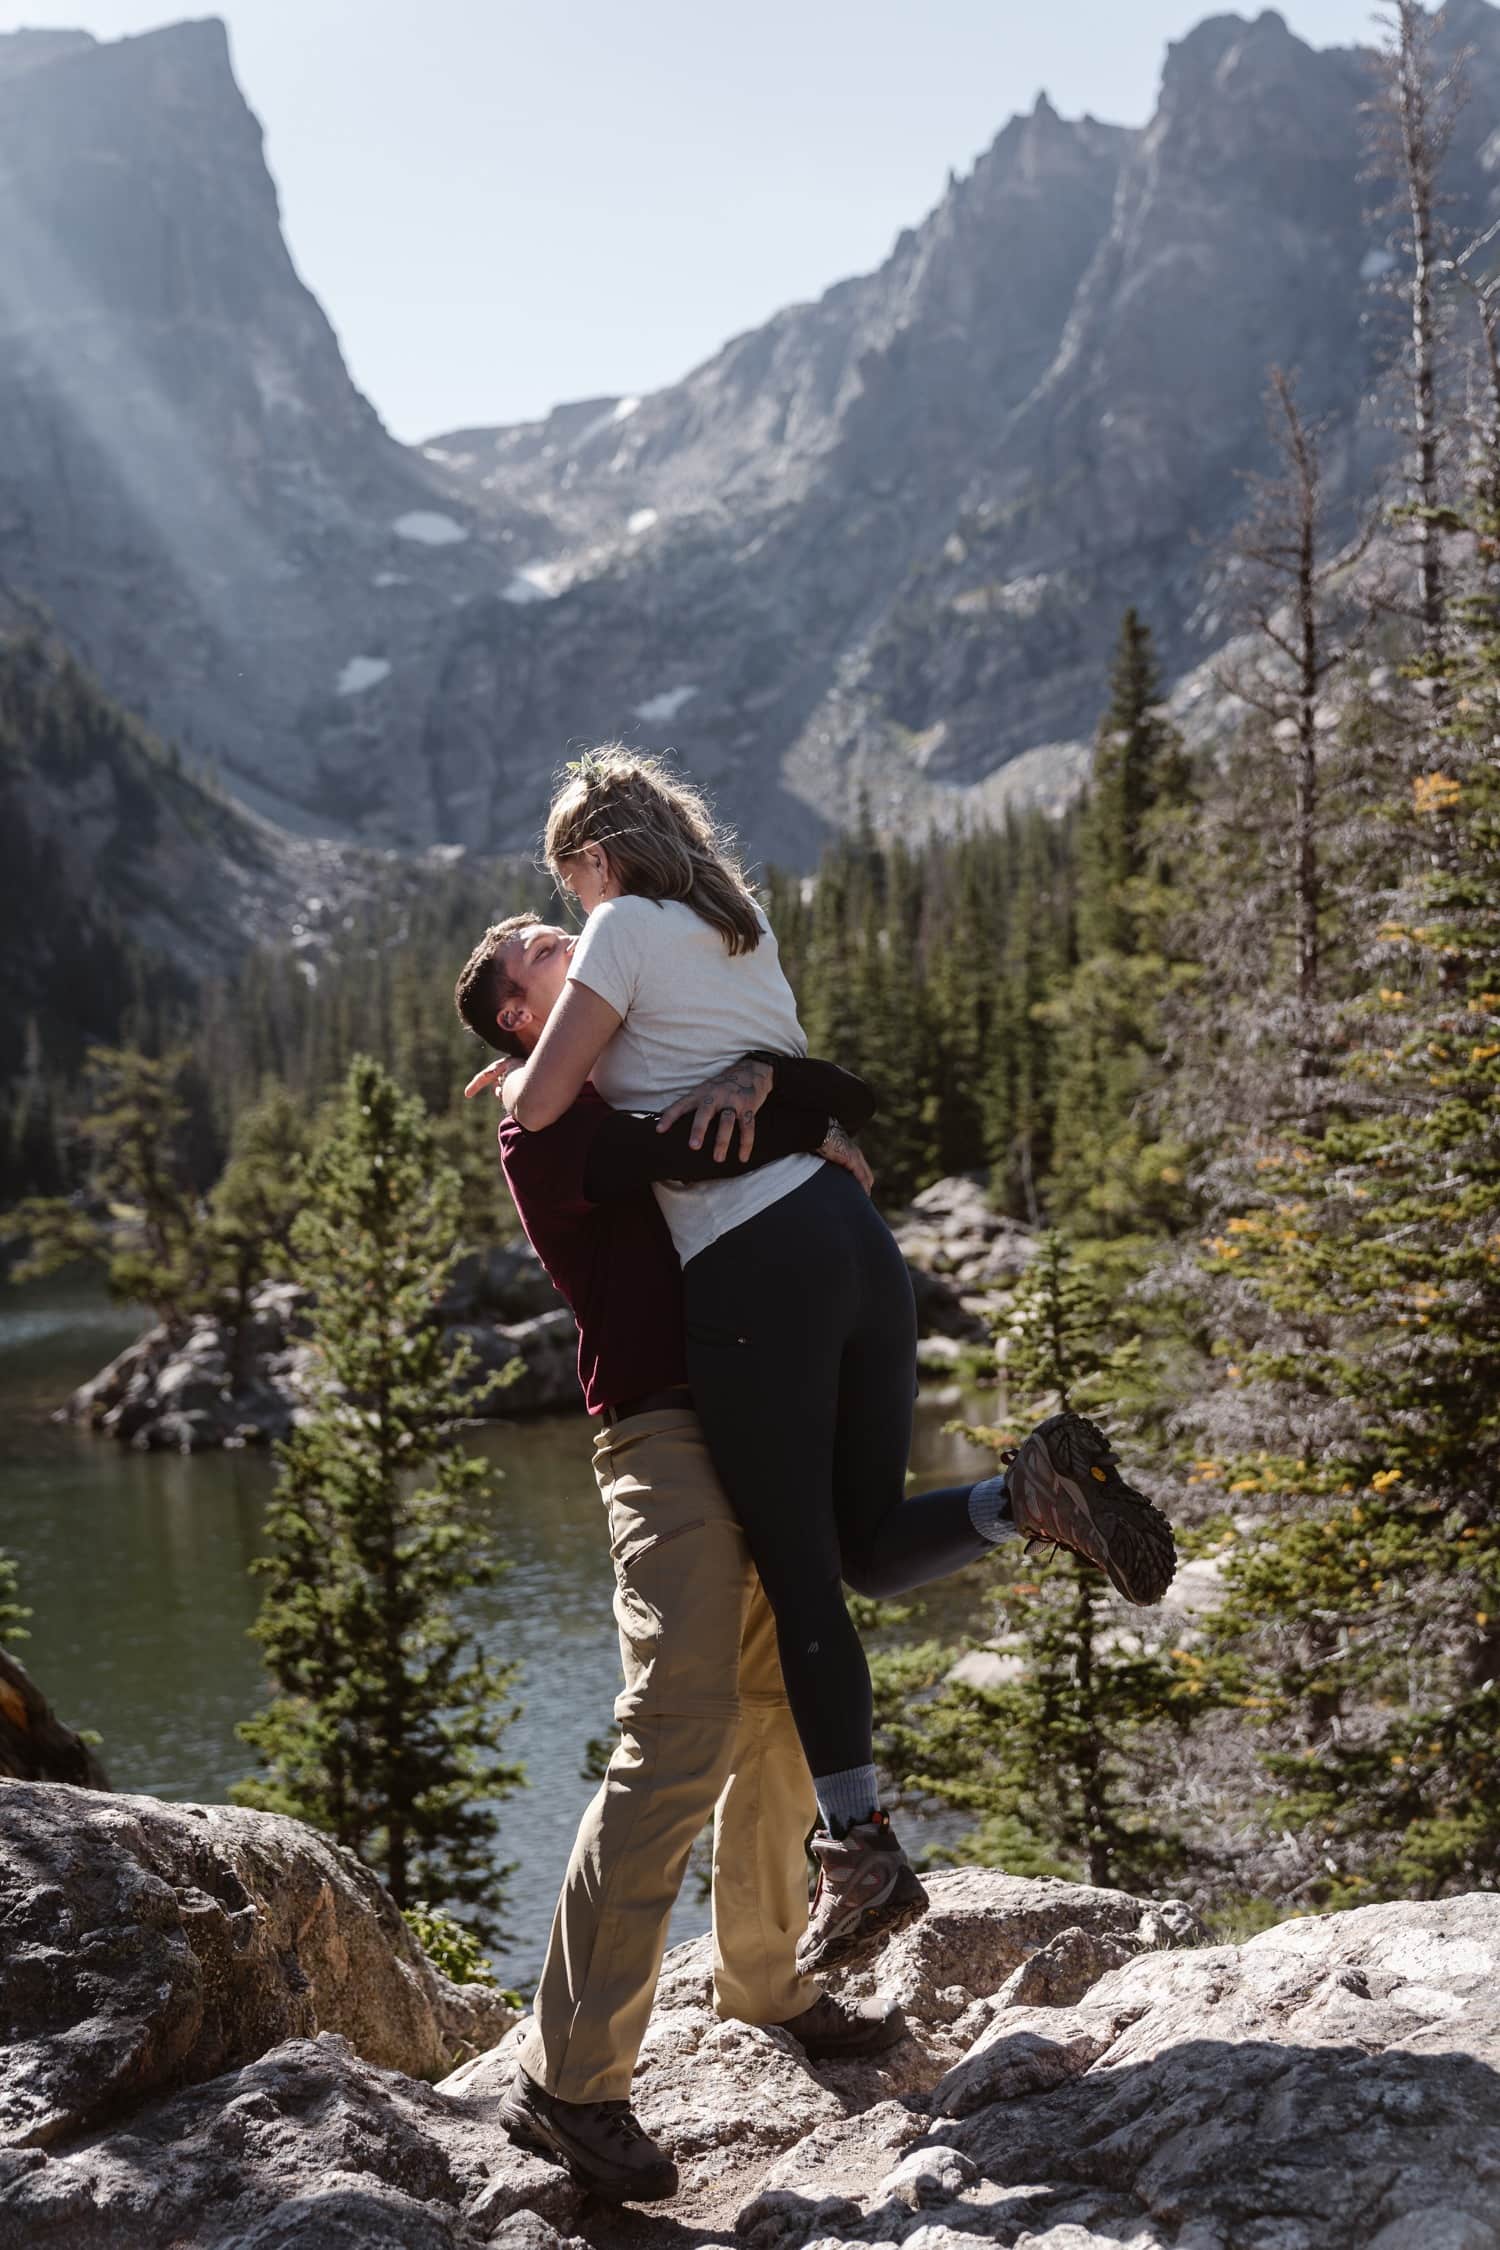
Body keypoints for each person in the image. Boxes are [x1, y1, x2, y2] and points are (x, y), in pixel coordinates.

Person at [469, 749, 1178, 1989]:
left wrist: (529, 1074)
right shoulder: (729, 924)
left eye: (558, 890)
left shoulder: (623, 929)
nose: (565, 918)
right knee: (858, 1543)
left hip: (760, 1268)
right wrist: (789, 1100)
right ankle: (1025, 1500)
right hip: (858, 1243)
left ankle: (859, 1845)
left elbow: (541, 1103)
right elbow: (769, 1081)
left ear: (596, 857)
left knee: (801, 1575)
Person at [453, 913, 909, 2206]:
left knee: (772, 1701)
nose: (577, 943)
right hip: (658, 1431)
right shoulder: (542, 1121)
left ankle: (768, 1971)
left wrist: (775, 1085)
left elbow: (792, 1103)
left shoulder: (633, 1072)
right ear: (523, 1021)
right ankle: (570, 2078)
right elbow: (690, 1143)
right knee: (680, 1718)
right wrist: (787, 1109)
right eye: (546, 949)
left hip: (751, 1415)